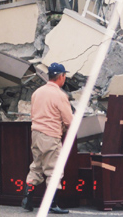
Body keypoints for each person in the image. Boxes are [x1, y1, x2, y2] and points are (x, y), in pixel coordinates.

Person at [22, 62, 73, 214]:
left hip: (36, 134)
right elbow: (69, 121)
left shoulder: (37, 92)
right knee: (54, 169)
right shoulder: (60, 95)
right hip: (50, 135)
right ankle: (53, 203)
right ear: (61, 76)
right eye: (65, 76)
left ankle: (27, 197)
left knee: (37, 166)